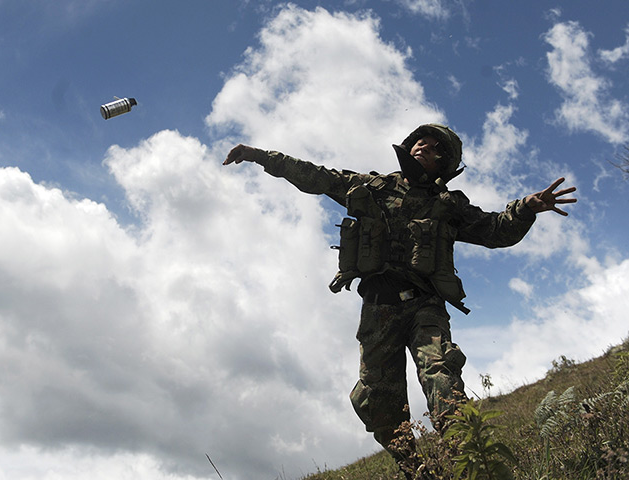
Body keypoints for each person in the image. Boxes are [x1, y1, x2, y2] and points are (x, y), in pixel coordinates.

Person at [223, 124, 577, 460]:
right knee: (378, 403)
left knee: (441, 376)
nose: (425, 146)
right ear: (410, 146)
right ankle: (418, 469)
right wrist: (259, 155)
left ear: (445, 164)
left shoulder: (449, 204)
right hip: (378, 309)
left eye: (437, 148)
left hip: (425, 307)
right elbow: (315, 176)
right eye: (421, 140)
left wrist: (526, 208)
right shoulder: (371, 187)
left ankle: (466, 462)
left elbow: (495, 231)